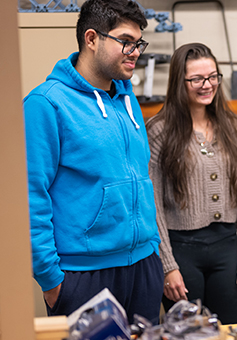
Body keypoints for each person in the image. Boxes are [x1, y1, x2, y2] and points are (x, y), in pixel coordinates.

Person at [23, 0, 163, 323]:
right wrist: (51, 280)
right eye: (126, 41)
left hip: (143, 267)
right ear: (91, 39)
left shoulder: (128, 102)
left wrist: (153, 248)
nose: (136, 52)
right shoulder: (46, 104)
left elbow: (141, 179)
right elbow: (30, 196)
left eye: (139, 43)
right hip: (84, 276)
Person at [146, 43, 237, 325]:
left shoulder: (232, 127)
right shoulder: (158, 131)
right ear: (178, 82)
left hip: (226, 250)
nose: (207, 85)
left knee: (227, 331)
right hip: (181, 252)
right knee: (187, 334)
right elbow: (152, 205)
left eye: (213, 76)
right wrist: (166, 265)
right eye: (197, 79)